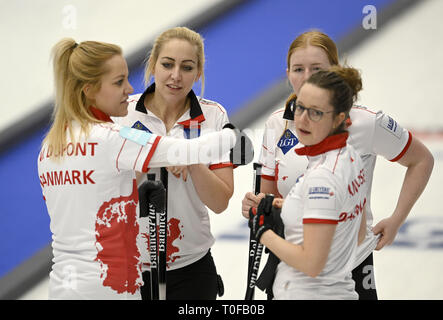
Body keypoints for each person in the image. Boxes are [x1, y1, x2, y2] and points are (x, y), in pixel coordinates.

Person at [38, 38, 241, 300]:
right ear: (88, 89)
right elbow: (192, 149)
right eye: (119, 81)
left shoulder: (48, 146)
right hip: (114, 285)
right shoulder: (115, 136)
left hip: (63, 284)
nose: (129, 88)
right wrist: (232, 137)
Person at [242, 30, 434, 299]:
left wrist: (396, 219)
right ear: (288, 74)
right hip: (292, 267)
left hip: (349, 265)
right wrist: (258, 206)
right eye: (298, 69)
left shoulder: (365, 123)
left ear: (335, 70)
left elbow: (421, 159)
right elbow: (270, 199)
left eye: (317, 69)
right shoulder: (277, 124)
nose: (307, 77)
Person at [113, 27, 233, 300]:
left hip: (192, 268)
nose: (176, 76)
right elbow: (105, 190)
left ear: (198, 72)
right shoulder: (123, 113)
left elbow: (220, 201)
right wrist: (157, 155)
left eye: (187, 67)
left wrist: (191, 159)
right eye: (167, 64)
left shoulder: (214, 115)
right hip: (130, 268)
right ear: (153, 64)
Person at [249, 65, 368, 299]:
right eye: (300, 107)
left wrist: (263, 233)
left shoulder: (322, 178)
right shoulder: (350, 156)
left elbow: (312, 264)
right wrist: (291, 205)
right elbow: (359, 233)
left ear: (338, 119)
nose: (302, 119)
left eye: (315, 112)